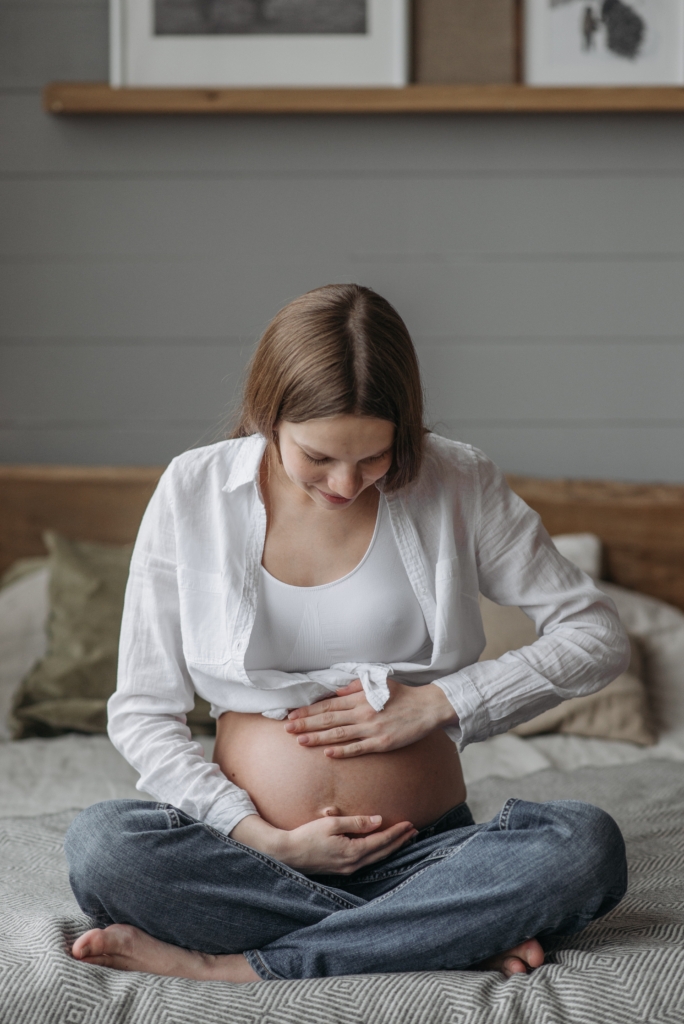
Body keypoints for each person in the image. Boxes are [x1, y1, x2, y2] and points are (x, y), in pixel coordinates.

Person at [64, 284, 630, 983]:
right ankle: (439, 934)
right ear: (267, 415)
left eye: (374, 458)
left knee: (583, 847)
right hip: (253, 858)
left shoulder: (458, 479)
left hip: (427, 859)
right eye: (319, 457)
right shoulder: (193, 490)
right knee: (104, 847)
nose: (345, 483)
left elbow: (597, 634)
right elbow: (143, 709)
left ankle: (242, 965)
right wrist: (264, 837)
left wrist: (439, 703)